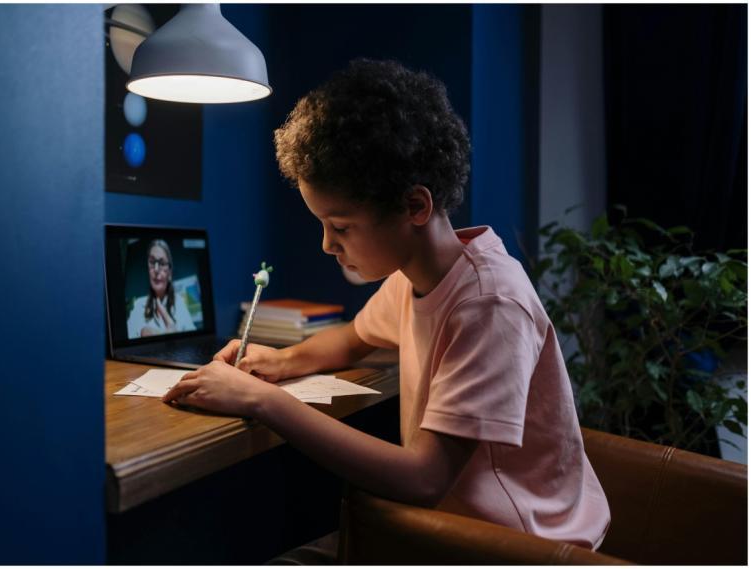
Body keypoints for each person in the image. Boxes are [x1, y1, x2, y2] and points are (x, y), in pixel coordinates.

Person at [162, 59, 610, 549]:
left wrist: (260, 400)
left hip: (519, 547)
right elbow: (354, 338)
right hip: (453, 529)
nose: (327, 245)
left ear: (415, 206)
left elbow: (424, 478)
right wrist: (280, 362)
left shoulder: (490, 304)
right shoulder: (414, 276)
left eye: (341, 226)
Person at [127, 239, 195, 338]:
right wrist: (142, 333)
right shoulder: (138, 305)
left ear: (170, 273)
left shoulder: (180, 303)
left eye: (162, 263)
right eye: (152, 262)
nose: (156, 269)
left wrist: (176, 338)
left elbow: (194, 340)